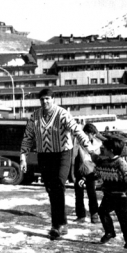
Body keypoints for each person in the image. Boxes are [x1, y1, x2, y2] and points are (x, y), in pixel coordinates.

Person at [20, 88, 91, 240]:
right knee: (51, 188)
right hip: (44, 156)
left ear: (53, 99)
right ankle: (60, 223)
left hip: (62, 154)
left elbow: (76, 129)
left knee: (59, 184)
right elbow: (27, 137)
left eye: (47, 99)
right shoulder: (34, 117)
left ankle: (57, 225)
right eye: (42, 100)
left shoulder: (62, 114)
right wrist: (23, 157)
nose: (45, 102)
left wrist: (87, 145)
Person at [92, 137, 127, 249]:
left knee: (123, 218)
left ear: (111, 150)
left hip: (122, 196)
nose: (102, 149)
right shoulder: (103, 162)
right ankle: (110, 232)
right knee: (102, 211)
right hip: (109, 195)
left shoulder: (121, 163)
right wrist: (87, 179)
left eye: (104, 148)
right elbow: (96, 172)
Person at [72, 123, 103, 224]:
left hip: (91, 171)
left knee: (92, 193)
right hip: (80, 169)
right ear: (85, 133)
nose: (92, 136)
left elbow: (97, 157)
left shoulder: (96, 143)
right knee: (79, 193)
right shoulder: (77, 141)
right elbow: (74, 156)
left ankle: (94, 215)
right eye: (91, 134)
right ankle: (81, 215)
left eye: (93, 134)